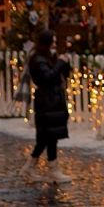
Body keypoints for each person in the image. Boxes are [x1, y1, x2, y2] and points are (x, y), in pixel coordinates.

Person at [22, 29, 72, 184]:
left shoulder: (47, 57)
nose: (55, 44)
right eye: (53, 41)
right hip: (47, 101)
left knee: (50, 137)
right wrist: (60, 63)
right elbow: (48, 77)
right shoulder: (37, 60)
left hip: (53, 101)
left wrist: (64, 64)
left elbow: (60, 74)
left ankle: (39, 168)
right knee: (45, 137)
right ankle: (44, 169)